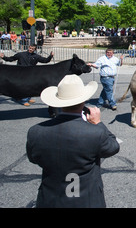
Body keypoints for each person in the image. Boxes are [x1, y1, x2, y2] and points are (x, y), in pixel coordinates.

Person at [26, 74, 120, 207]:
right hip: (87, 200)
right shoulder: (95, 132)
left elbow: (34, 158)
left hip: (50, 199)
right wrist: (98, 123)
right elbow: (113, 147)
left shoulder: (35, 131)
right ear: (83, 101)